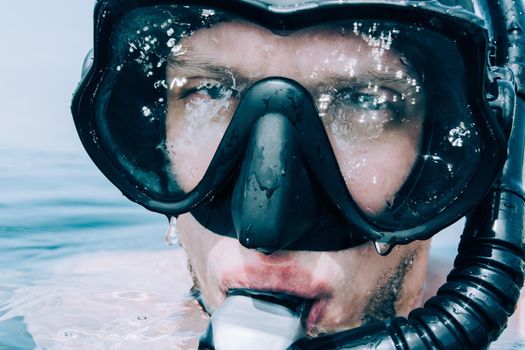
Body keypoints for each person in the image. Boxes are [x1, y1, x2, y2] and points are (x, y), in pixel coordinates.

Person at [72, 0, 524, 348]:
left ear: (445, 150)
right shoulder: (79, 315)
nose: (268, 225)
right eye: (210, 91)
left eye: (364, 101)